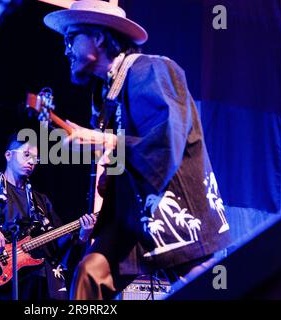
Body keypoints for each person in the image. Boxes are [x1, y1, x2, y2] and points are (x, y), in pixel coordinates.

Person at [43, 0, 231, 299]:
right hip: (131, 216)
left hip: (174, 210)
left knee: (202, 287)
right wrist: (108, 174)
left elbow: (166, 139)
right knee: (90, 273)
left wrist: (104, 141)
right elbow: (122, 156)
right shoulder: (106, 95)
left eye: (71, 38)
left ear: (99, 38)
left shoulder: (153, 69)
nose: (65, 49)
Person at [0, 133, 97, 300]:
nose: (32, 162)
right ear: (8, 155)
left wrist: (81, 237)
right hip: (1, 283)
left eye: (36, 158)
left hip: (37, 284)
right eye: (27, 154)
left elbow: (58, 245)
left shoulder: (40, 201)